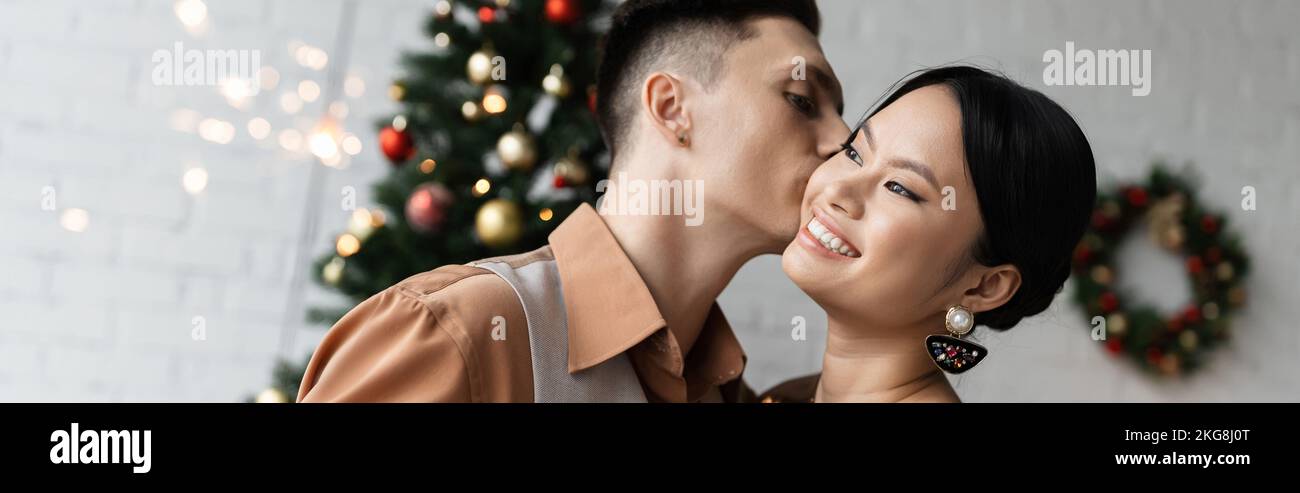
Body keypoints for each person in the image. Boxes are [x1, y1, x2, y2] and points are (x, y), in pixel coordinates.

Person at [297, 0, 848, 402]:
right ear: (672, 108)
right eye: (803, 100)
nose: (841, 140)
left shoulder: (731, 395)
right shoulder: (459, 334)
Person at [760, 66, 1097, 403]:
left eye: (899, 188)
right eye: (854, 152)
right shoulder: (788, 395)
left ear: (985, 286)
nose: (837, 189)